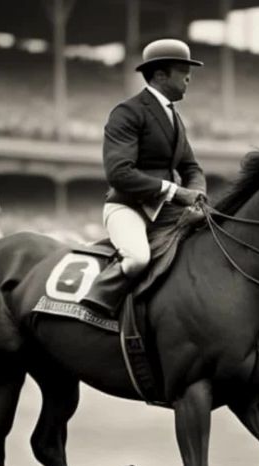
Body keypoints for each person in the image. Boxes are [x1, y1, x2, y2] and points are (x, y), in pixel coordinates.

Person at [80, 38, 208, 316]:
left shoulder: (174, 117)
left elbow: (191, 168)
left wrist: (196, 192)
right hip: (129, 207)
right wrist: (176, 192)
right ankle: (97, 300)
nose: (189, 77)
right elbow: (119, 173)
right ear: (160, 75)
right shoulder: (127, 112)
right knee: (138, 258)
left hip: (166, 210)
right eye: (182, 70)